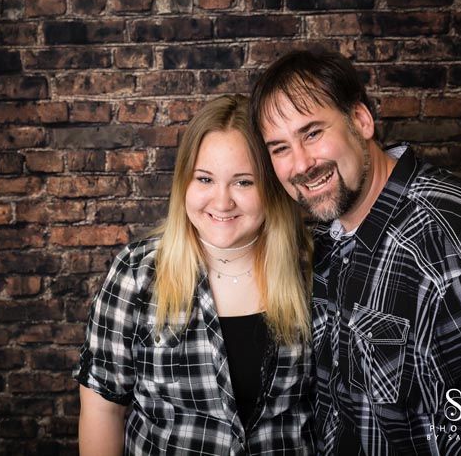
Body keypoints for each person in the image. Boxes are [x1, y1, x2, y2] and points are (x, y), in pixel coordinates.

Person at [249, 49, 461, 455]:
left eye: (312, 133)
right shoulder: (330, 237)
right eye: (280, 148)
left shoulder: (456, 242)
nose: (301, 164)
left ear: (361, 120)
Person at [74, 94, 316, 455]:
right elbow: (102, 409)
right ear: (184, 182)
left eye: (244, 182)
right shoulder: (137, 274)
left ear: (272, 187)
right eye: (204, 179)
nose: (221, 202)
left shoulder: (312, 270)